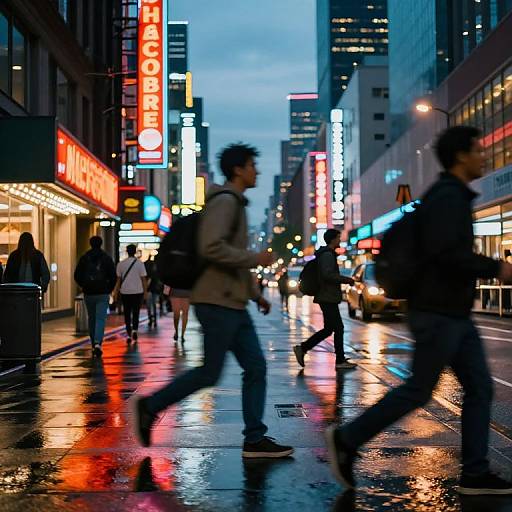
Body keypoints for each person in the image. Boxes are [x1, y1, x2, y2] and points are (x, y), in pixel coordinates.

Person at [326, 126, 512, 495]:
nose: (483, 155)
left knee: (478, 388)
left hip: (451, 313)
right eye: (477, 149)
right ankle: (348, 438)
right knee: (419, 390)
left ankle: (475, 472)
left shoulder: (450, 195)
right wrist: (498, 269)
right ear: (460, 155)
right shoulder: (448, 198)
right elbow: (446, 254)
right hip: (438, 313)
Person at [132, 143, 293, 459]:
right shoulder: (225, 203)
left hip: (232, 301)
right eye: (251, 165)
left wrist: (256, 294)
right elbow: (211, 248)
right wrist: (254, 258)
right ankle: (150, 406)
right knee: (211, 372)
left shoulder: (235, 203)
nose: (256, 171)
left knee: (255, 366)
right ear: (238, 169)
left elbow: (229, 256)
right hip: (216, 301)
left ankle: (254, 438)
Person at [293, 229, 356, 371]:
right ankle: (339, 360)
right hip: (327, 296)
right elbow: (327, 274)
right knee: (338, 328)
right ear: (333, 239)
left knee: (329, 329)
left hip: (327, 296)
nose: (340, 240)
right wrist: (346, 280)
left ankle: (303, 348)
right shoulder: (327, 255)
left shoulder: (327, 254)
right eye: (338, 238)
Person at [74, 236, 117, 357]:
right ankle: (98, 343)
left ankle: (93, 342)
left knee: (91, 317)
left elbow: (77, 274)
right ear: (101, 244)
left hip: (89, 292)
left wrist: (83, 285)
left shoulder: (84, 257)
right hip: (103, 292)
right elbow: (113, 276)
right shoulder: (106, 258)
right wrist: (109, 289)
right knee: (100, 318)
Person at [113, 244, 148, 344]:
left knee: (127, 313)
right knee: (136, 312)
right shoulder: (140, 264)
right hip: (138, 292)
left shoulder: (121, 264)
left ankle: (128, 333)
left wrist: (115, 292)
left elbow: (118, 280)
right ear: (135, 251)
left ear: (127, 251)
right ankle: (135, 330)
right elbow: (143, 280)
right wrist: (145, 293)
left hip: (125, 292)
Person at [145, 256, 162, 329]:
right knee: (154, 305)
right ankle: (155, 320)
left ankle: (150, 319)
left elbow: (148, 281)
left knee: (149, 305)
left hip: (149, 290)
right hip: (155, 290)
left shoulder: (148, 271)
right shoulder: (157, 271)